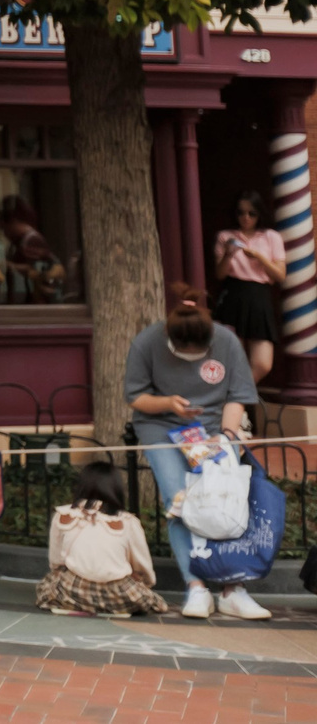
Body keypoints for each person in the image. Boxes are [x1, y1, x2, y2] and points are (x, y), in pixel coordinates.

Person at [128, 282, 268, 619]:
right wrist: (168, 404)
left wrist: (227, 436)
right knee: (179, 500)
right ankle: (196, 587)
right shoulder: (146, 342)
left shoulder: (228, 341)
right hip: (161, 426)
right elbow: (136, 396)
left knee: (225, 500)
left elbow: (237, 395)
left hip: (215, 428)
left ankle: (233, 589)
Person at [35, 460, 168, 618]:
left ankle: (76, 604)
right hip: (119, 593)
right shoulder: (128, 521)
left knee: (45, 585)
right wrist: (146, 584)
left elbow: (56, 561)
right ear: (117, 488)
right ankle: (114, 607)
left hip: (72, 588)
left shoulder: (64, 515)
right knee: (155, 603)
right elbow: (141, 563)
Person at [214, 191, 288, 383]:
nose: (245, 218)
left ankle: (234, 398)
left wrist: (260, 257)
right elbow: (220, 274)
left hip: (260, 296)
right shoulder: (226, 236)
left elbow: (280, 275)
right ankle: (235, 406)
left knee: (263, 363)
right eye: (241, 213)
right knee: (233, 360)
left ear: (259, 214)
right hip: (234, 294)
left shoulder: (271, 236)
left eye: (251, 213)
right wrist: (229, 254)